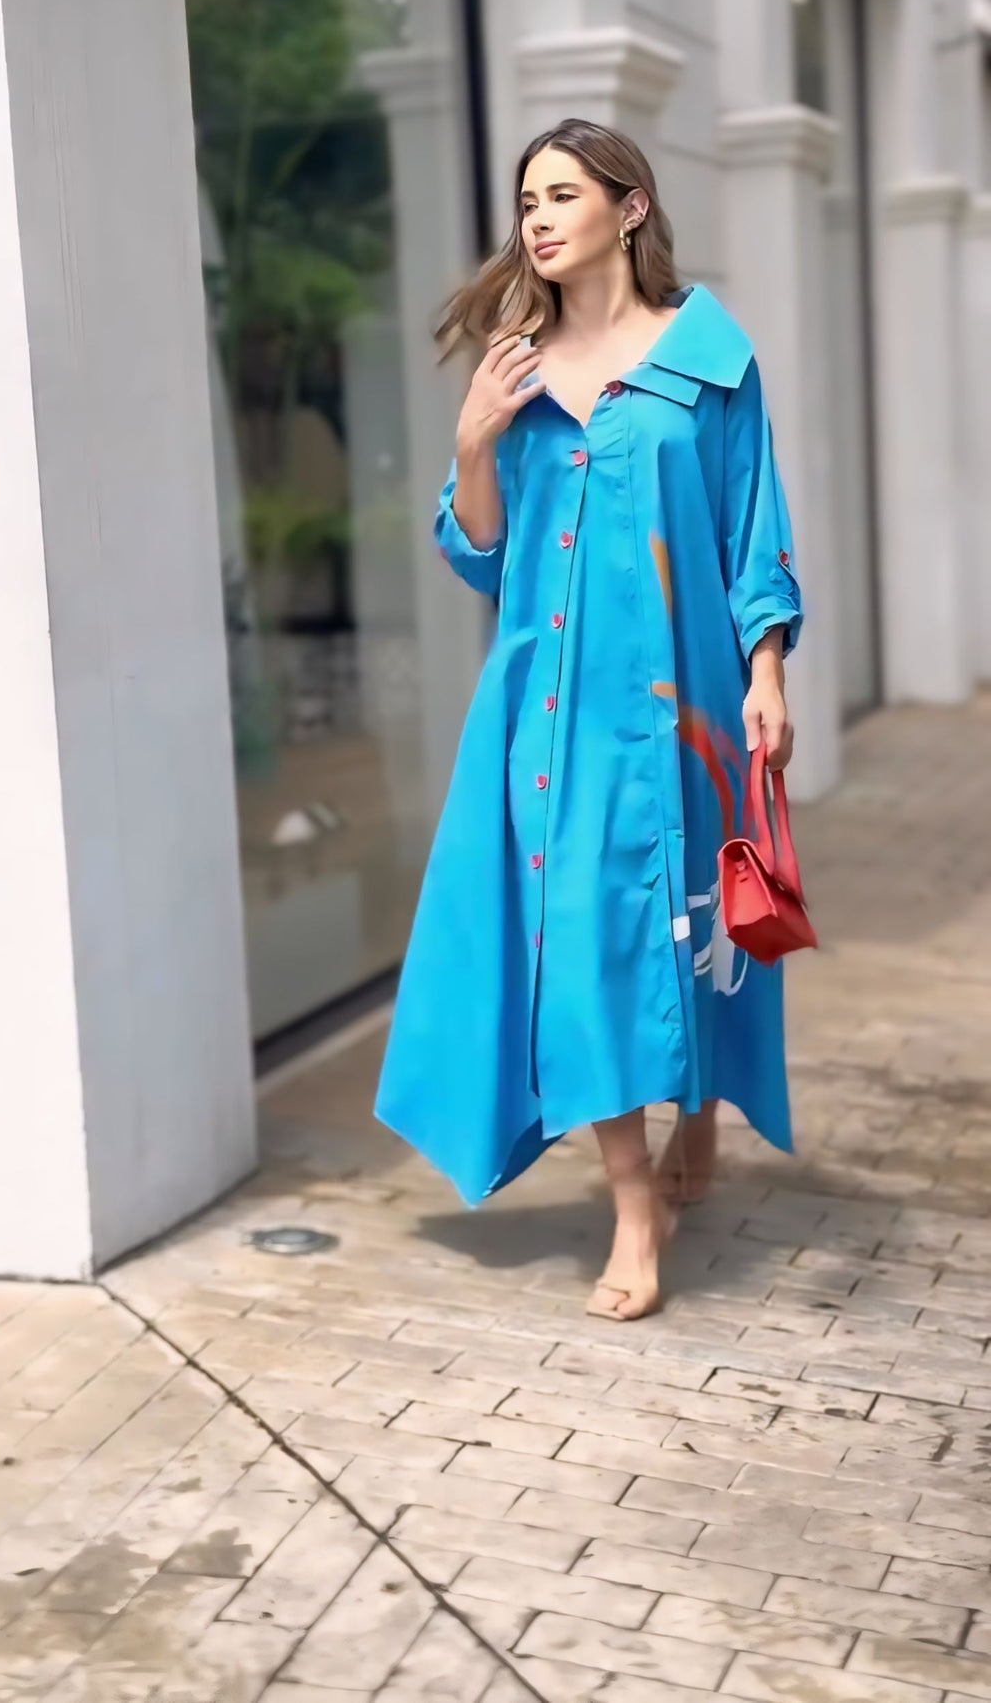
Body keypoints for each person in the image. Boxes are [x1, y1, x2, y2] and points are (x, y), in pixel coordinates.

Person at [375, 117, 803, 1321]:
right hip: (552, 710)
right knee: (584, 943)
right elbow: (482, 552)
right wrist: (472, 442)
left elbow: (750, 530)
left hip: (685, 706)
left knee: (694, 921)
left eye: (562, 194)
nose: (538, 218)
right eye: (527, 201)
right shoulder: (513, 369)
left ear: (629, 207)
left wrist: (768, 670)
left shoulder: (708, 356)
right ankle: (631, 1204)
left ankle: (699, 1112)